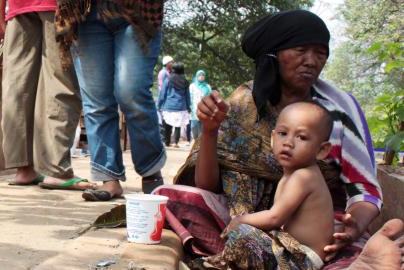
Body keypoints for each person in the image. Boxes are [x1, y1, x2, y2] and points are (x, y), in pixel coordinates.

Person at [153, 10, 403, 269]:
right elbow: (207, 186)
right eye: (301, 50)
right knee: (168, 198)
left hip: (317, 234)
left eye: (320, 53)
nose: (312, 61)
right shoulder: (241, 105)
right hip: (242, 218)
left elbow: (365, 188)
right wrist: (209, 131)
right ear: (273, 54)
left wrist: (354, 226)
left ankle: (359, 260)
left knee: (333, 254)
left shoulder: (339, 109)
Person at [54, 0, 166, 200]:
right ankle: (108, 178)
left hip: (137, 9)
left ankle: (150, 170)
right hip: (83, 11)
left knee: (131, 92)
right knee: (97, 102)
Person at [206, 102, 334, 269]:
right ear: (273, 139)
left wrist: (241, 220)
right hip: (289, 251)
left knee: (244, 232)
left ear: (321, 150)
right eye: (283, 133)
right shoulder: (291, 175)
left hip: (301, 259)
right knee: (249, 234)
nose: (288, 142)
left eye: (301, 137)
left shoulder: (304, 176)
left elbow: (275, 217)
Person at [0, 0, 96, 190]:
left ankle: (24, 169)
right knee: (60, 82)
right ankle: (56, 171)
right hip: (57, 7)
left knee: (17, 85)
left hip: (17, 9)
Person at [158, 62, 191, 148]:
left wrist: (159, 105)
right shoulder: (185, 81)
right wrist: (188, 107)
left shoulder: (168, 80)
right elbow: (187, 95)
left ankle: (167, 142)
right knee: (178, 125)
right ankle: (176, 142)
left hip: (169, 106)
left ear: (173, 70)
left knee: (168, 124)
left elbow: (163, 93)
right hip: (181, 106)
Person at [189, 70, 211, 140]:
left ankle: (200, 144)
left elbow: (210, 98)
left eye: (203, 75)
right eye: (200, 75)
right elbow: (189, 97)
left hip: (204, 110)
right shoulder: (192, 86)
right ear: (197, 76)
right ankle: (195, 140)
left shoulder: (207, 86)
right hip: (194, 109)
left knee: (202, 128)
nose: (201, 77)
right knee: (194, 127)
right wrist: (189, 107)